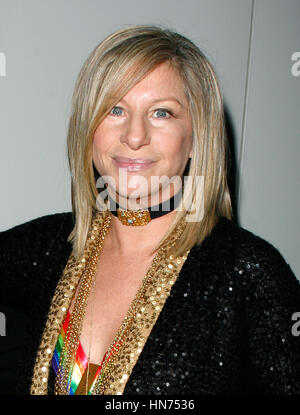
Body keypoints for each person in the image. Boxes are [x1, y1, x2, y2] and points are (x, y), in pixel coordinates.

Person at [0, 25, 299, 396]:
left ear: (196, 137)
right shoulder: (42, 247)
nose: (135, 135)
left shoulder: (249, 274)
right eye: (115, 109)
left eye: (161, 113)